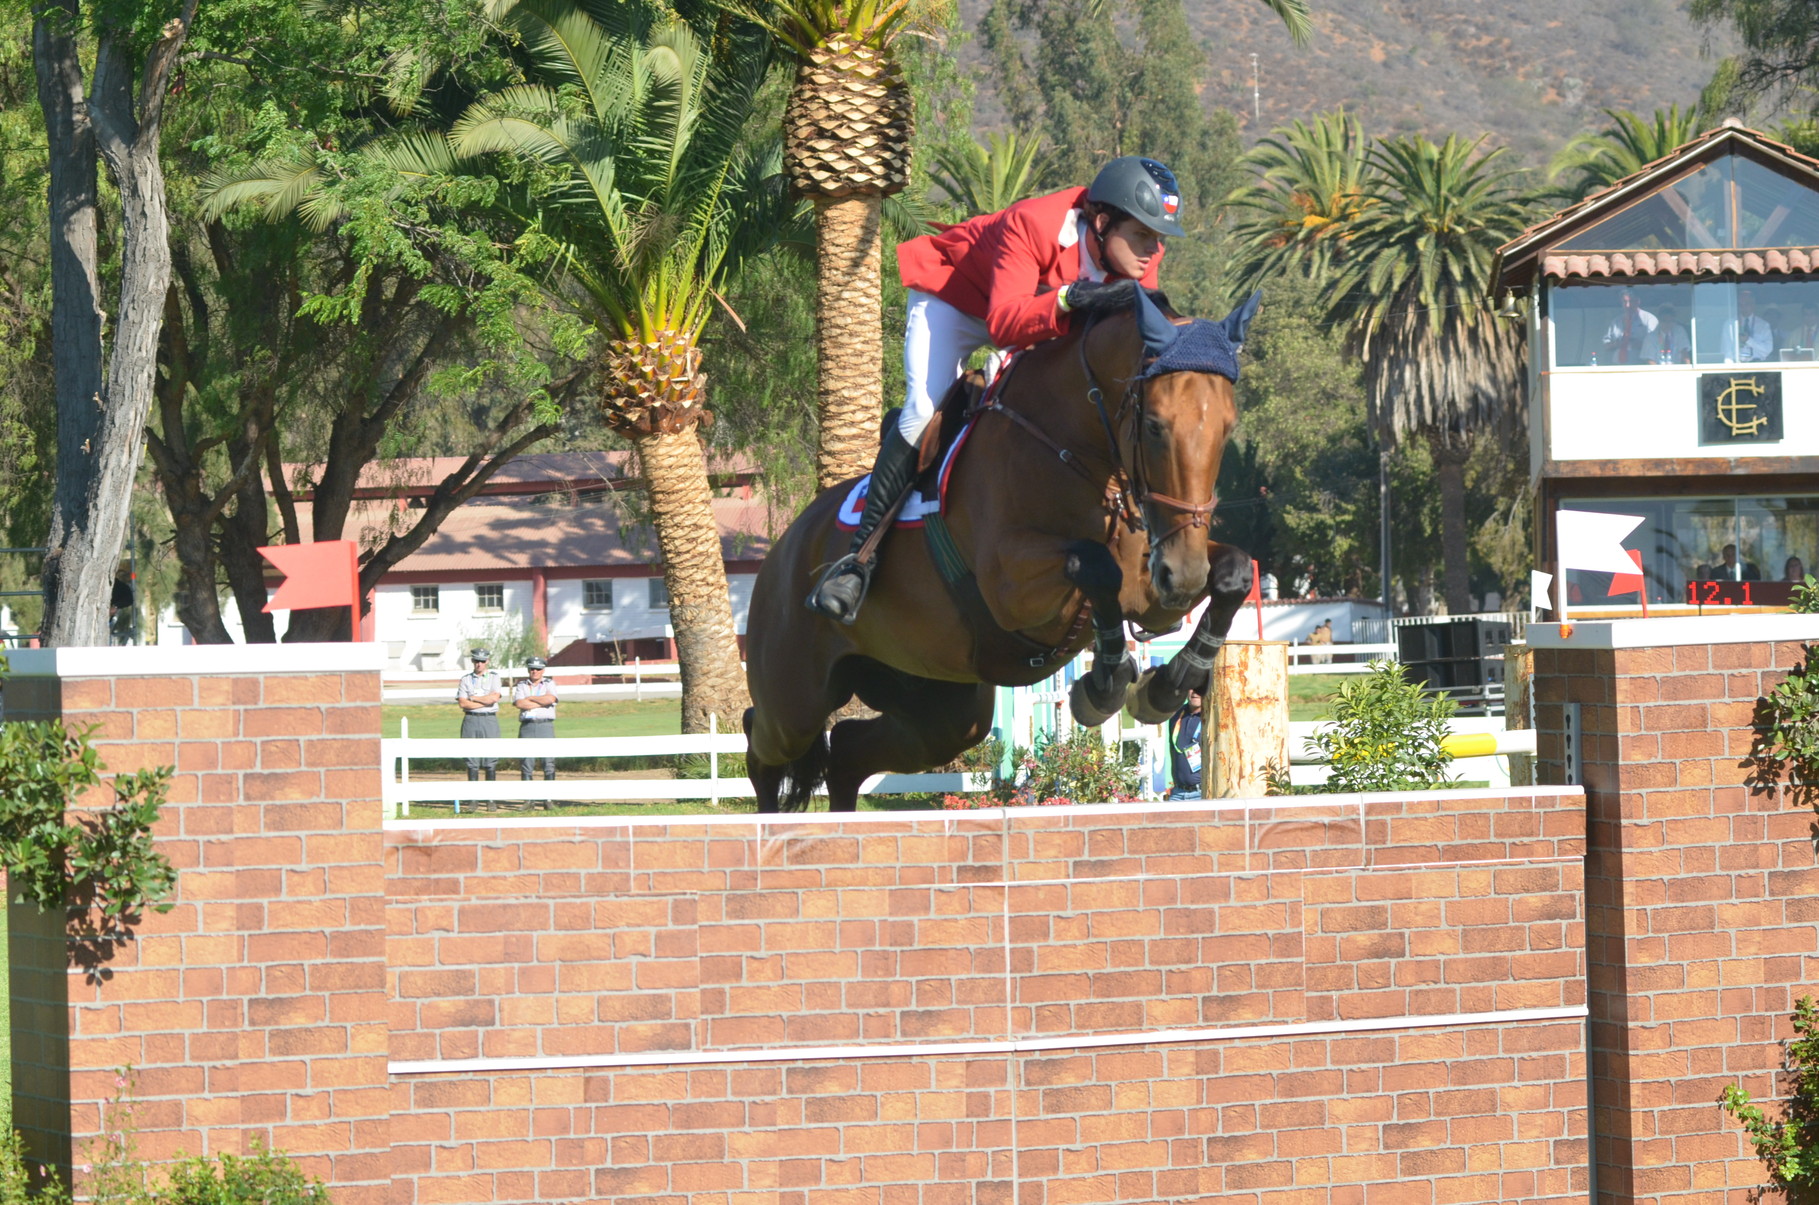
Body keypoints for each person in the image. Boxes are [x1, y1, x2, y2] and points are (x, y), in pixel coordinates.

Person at [806, 155, 1184, 624]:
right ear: (1103, 221)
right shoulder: (1034, 224)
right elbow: (1004, 324)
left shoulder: (1142, 257)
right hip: (957, 300)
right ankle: (858, 561)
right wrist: (1069, 297)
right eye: (1143, 234)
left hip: (1039, 316)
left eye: (1159, 237)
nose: (1153, 250)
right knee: (923, 412)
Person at [456, 647, 502, 790]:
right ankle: (473, 798)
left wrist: (474, 698)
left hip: (489, 719)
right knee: (471, 757)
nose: (479, 664)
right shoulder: (466, 680)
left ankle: (490, 798)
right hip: (471, 720)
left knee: (491, 757)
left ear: (487, 661)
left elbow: (493, 698)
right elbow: (463, 703)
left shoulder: (494, 677)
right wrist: (484, 701)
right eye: (477, 661)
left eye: (482, 661)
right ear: (472, 661)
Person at [514, 656, 559, 799]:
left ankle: (548, 798)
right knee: (527, 762)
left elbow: (551, 699)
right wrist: (541, 702)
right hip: (527, 725)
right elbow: (520, 704)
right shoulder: (522, 685)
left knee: (548, 761)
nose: (535, 671)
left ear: (543, 670)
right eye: (532, 668)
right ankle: (529, 799)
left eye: (538, 669)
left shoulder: (549, 684)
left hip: (545, 725)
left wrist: (530, 698)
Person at [1600, 290, 1657, 364]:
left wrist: (1637, 344)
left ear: (1637, 301)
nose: (1627, 305)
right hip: (1618, 365)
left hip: (1641, 365)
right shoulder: (1616, 322)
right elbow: (1606, 346)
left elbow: (1655, 344)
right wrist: (1617, 344)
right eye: (1624, 301)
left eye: (1631, 301)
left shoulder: (1649, 319)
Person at [1166, 689, 1204, 801]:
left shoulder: (1212, 715)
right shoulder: (1177, 715)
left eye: (1200, 688)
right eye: (1192, 687)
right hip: (1177, 793)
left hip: (1201, 793)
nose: (1195, 692)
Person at [1726, 289, 1774, 363]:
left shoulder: (1763, 325)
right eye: (1740, 305)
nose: (1743, 307)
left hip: (1757, 365)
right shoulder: (1730, 324)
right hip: (1736, 365)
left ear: (1753, 305)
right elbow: (1725, 351)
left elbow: (1767, 350)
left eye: (1747, 304)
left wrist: (1748, 340)